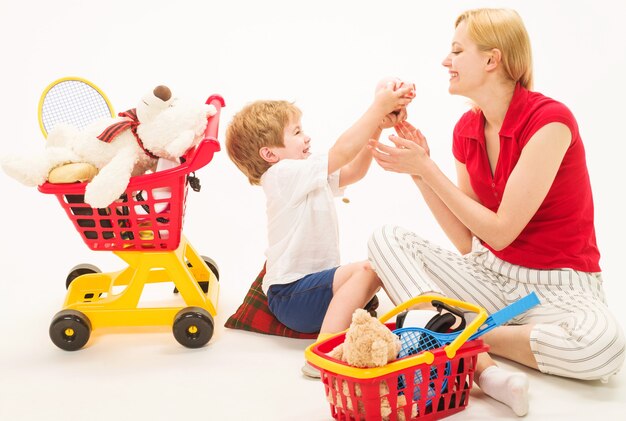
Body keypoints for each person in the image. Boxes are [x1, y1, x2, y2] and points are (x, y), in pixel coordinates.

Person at [367, 8, 625, 417]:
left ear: (492, 59)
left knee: (604, 347)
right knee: (385, 238)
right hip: (490, 276)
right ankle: (470, 337)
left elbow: (502, 231)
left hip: (559, 288)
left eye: (456, 51)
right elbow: (469, 240)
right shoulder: (465, 130)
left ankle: (460, 334)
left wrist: (427, 169)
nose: (445, 62)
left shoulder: (550, 122)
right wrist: (421, 172)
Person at [225, 81, 415, 377]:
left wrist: (377, 126)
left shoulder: (304, 173)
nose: (307, 136)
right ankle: (321, 356)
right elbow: (341, 152)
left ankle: (397, 321)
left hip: (311, 290)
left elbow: (354, 170)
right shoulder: (281, 175)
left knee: (374, 270)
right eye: (297, 132)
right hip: (292, 296)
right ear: (269, 154)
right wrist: (377, 108)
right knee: (370, 269)